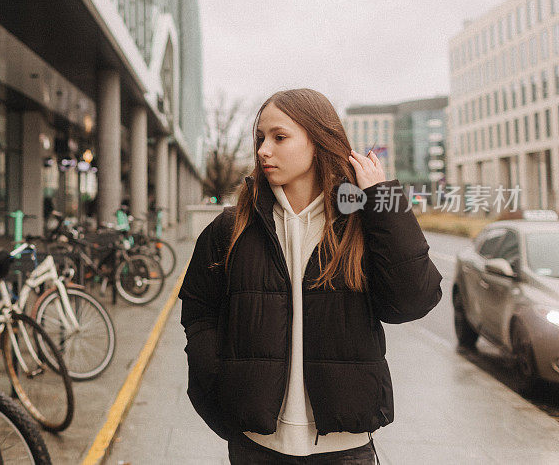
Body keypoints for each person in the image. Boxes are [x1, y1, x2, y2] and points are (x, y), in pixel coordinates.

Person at [179, 89, 443, 464]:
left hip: (344, 448)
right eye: (260, 138)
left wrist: (382, 201)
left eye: (279, 137)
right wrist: (220, 386)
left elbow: (412, 301)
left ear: (319, 140)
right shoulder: (231, 228)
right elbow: (199, 312)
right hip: (256, 446)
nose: (263, 150)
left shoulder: (359, 225)